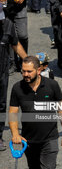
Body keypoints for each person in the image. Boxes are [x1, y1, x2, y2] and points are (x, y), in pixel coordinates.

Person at [8, 56, 62, 167]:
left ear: (39, 70)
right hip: (28, 140)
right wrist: (15, 134)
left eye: (29, 71)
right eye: (23, 71)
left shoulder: (52, 85)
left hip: (49, 138)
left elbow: (61, 110)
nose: (25, 74)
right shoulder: (17, 88)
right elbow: (13, 113)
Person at [0, 16, 27, 151]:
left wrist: (28, 61)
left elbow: (15, 44)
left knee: (1, 104)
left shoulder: (7, 24)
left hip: (1, 73)